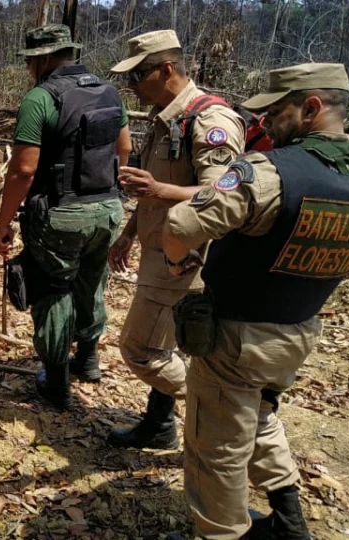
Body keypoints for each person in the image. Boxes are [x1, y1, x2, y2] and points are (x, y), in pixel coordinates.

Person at [163, 63, 349, 540]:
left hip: (236, 336)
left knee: (216, 447)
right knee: (261, 414)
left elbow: (181, 226)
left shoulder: (268, 173)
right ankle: (288, 519)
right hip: (299, 331)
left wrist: (178, 261)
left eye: (277, 112)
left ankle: (220, 534)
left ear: (311, 108)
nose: (265, 124)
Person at [106, 30, 246, 448]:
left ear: (166, 69)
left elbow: (228, 194)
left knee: (139, 348)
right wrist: (128, 233)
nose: (132, 86)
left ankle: (222, 404)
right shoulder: (167, 118)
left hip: (185, 257)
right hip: (159, 248)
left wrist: (160, 193)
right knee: (168, 342)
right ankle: (160, 424)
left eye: (138, 75)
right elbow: (153, 188)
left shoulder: (210, 121)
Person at [0, 24, 131, 410]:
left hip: (60, 212)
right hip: (106, 209)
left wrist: (4, 224)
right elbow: (125, 149)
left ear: (41, 60)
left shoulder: (40, 98)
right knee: (91, 281)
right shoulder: (109, 91)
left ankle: (56, 383)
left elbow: (22, 170)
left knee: (53, 289)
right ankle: (87, 360)